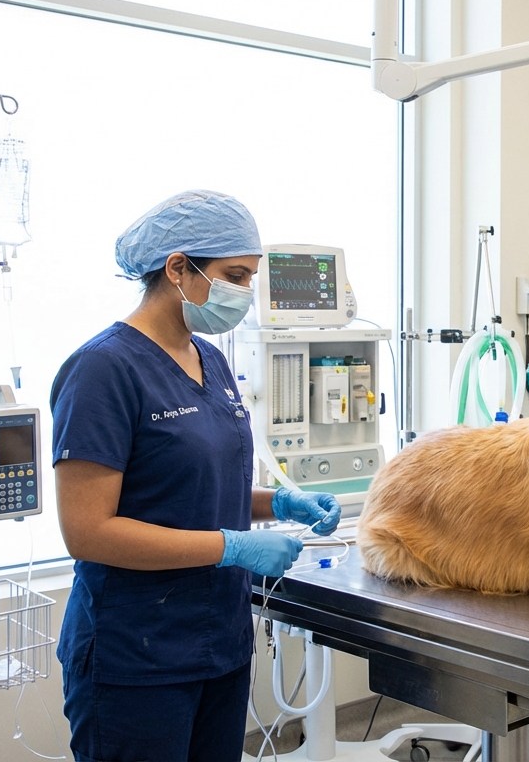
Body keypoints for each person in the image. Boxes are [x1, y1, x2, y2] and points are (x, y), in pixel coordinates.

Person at [50, 190, 342, 762]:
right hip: (136, 655)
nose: (244, 293)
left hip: (218, 645)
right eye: (234, 275)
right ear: (178, 268)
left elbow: (199, 485)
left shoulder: (209, 358)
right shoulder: (103, 370)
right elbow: (88, 532)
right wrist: (232, 547)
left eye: (250, 278)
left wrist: (277, 505)